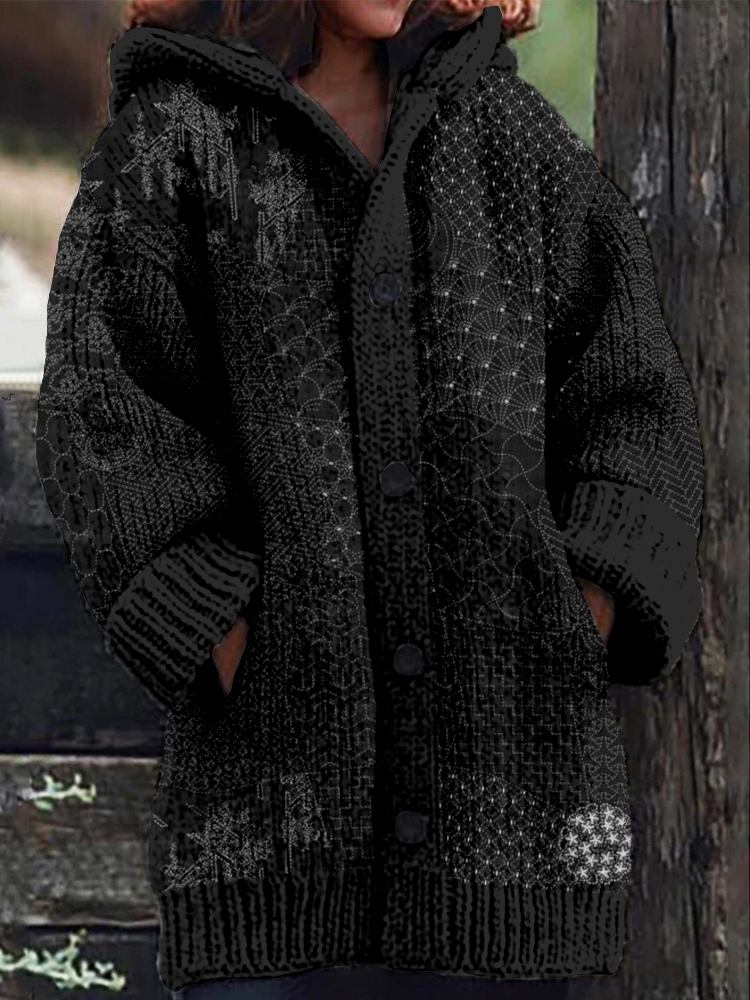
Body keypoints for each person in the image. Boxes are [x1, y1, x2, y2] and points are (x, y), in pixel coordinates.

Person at [36, 0, 703, 996]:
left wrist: (588, 610)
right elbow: (105, 418)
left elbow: (634, 401)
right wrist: (228, 633)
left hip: (514, 842)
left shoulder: (513, 142)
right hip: (268, 842)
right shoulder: (172, 146)